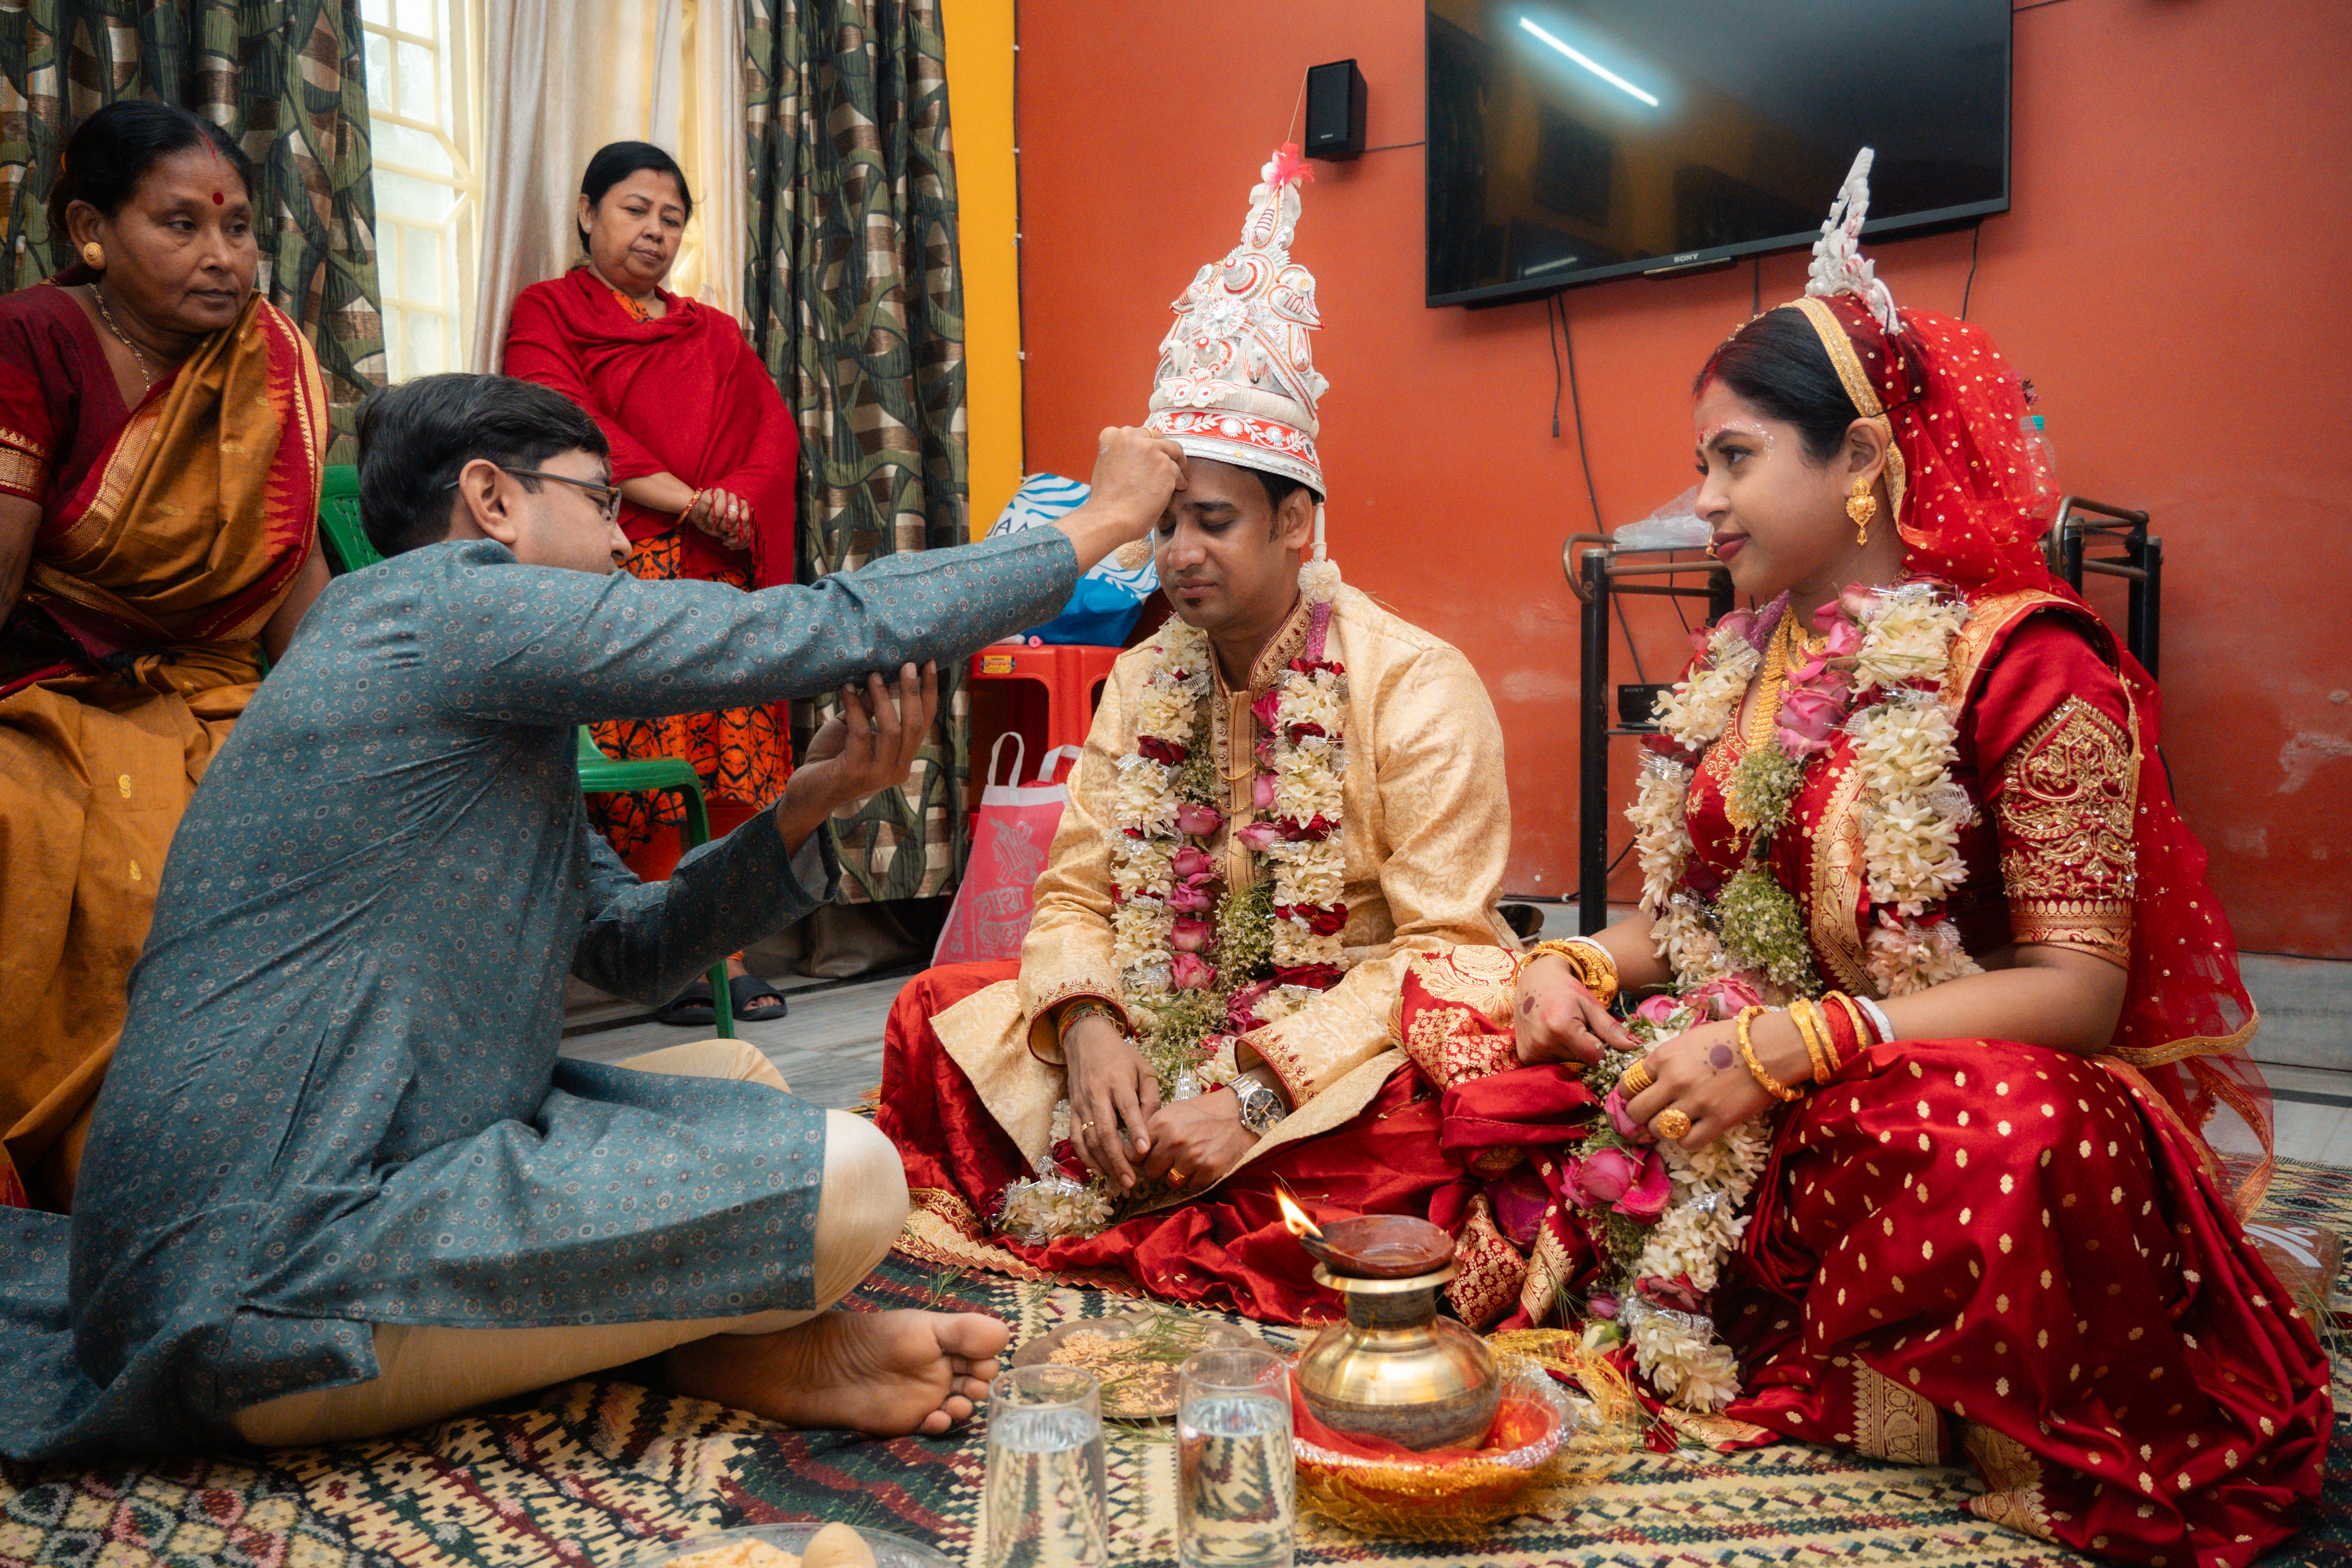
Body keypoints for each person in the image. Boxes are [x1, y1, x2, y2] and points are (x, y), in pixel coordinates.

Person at [0, 372, 1184, 1460]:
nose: (626, 538)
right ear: (491, 502)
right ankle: (698, 1339)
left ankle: (702, 1338)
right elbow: (802, 625)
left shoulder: (466, 688)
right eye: (602, 500)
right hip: (261, 1259)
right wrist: (1092, 528)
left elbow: (631, 947)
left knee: (739, 1071)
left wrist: (811, 798)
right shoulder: (430, 610)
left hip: (356, 1167)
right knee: (854, 1178)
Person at [1421, 152, 2325, 1563]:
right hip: (1734, 1071)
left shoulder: (2024, 664)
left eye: (1732, 457)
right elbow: (1706, 927)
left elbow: (2077, 990)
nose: (1701, 499)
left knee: (1998, 1134)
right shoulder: (1736, 669)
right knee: (1463, 1016)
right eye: (1700, 460)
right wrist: (1575, 959)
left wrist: (1802, 1043)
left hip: (1931, 1090)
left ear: (1857, 463)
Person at [874, 147, 1515, 1321]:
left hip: (1326, 1067)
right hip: (1156, 1024)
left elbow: (1451, 954)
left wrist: (1259, 1094)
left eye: (1210, 522)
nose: (1176, 555)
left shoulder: (1411, 682)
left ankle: (1212, 1192)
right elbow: (1072, 897)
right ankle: (1162, 1179)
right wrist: (1086, 1026)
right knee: (934, 1013)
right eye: (1164, 524)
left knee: (1448, 1121)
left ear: (1295, 521)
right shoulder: (1143, 677)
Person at [0, 100, 329, 1213]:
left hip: (226, 692)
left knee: (335, 817)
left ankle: (317, 1161)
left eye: (237, 228)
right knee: (85, 841)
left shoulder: (268, 360)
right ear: (91, 229)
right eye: (179, 224)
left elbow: (296, 593)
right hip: (51, 695)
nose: (223, 257)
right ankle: (129, 1170)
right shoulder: (36, 336)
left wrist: (353, 729)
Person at [502, 141, 800, 1023]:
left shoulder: (713, 332)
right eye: (636, 210)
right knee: (649, 753)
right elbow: (560, 420)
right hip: (618, 561)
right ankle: (662, 951)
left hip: (718, 566)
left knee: (739, 756)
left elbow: (771, 436)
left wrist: (735, 505)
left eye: (673, 218)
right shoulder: (547, 310)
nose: (656, 231)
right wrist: (688, 503)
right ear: (588, 212)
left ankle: (725, 948)